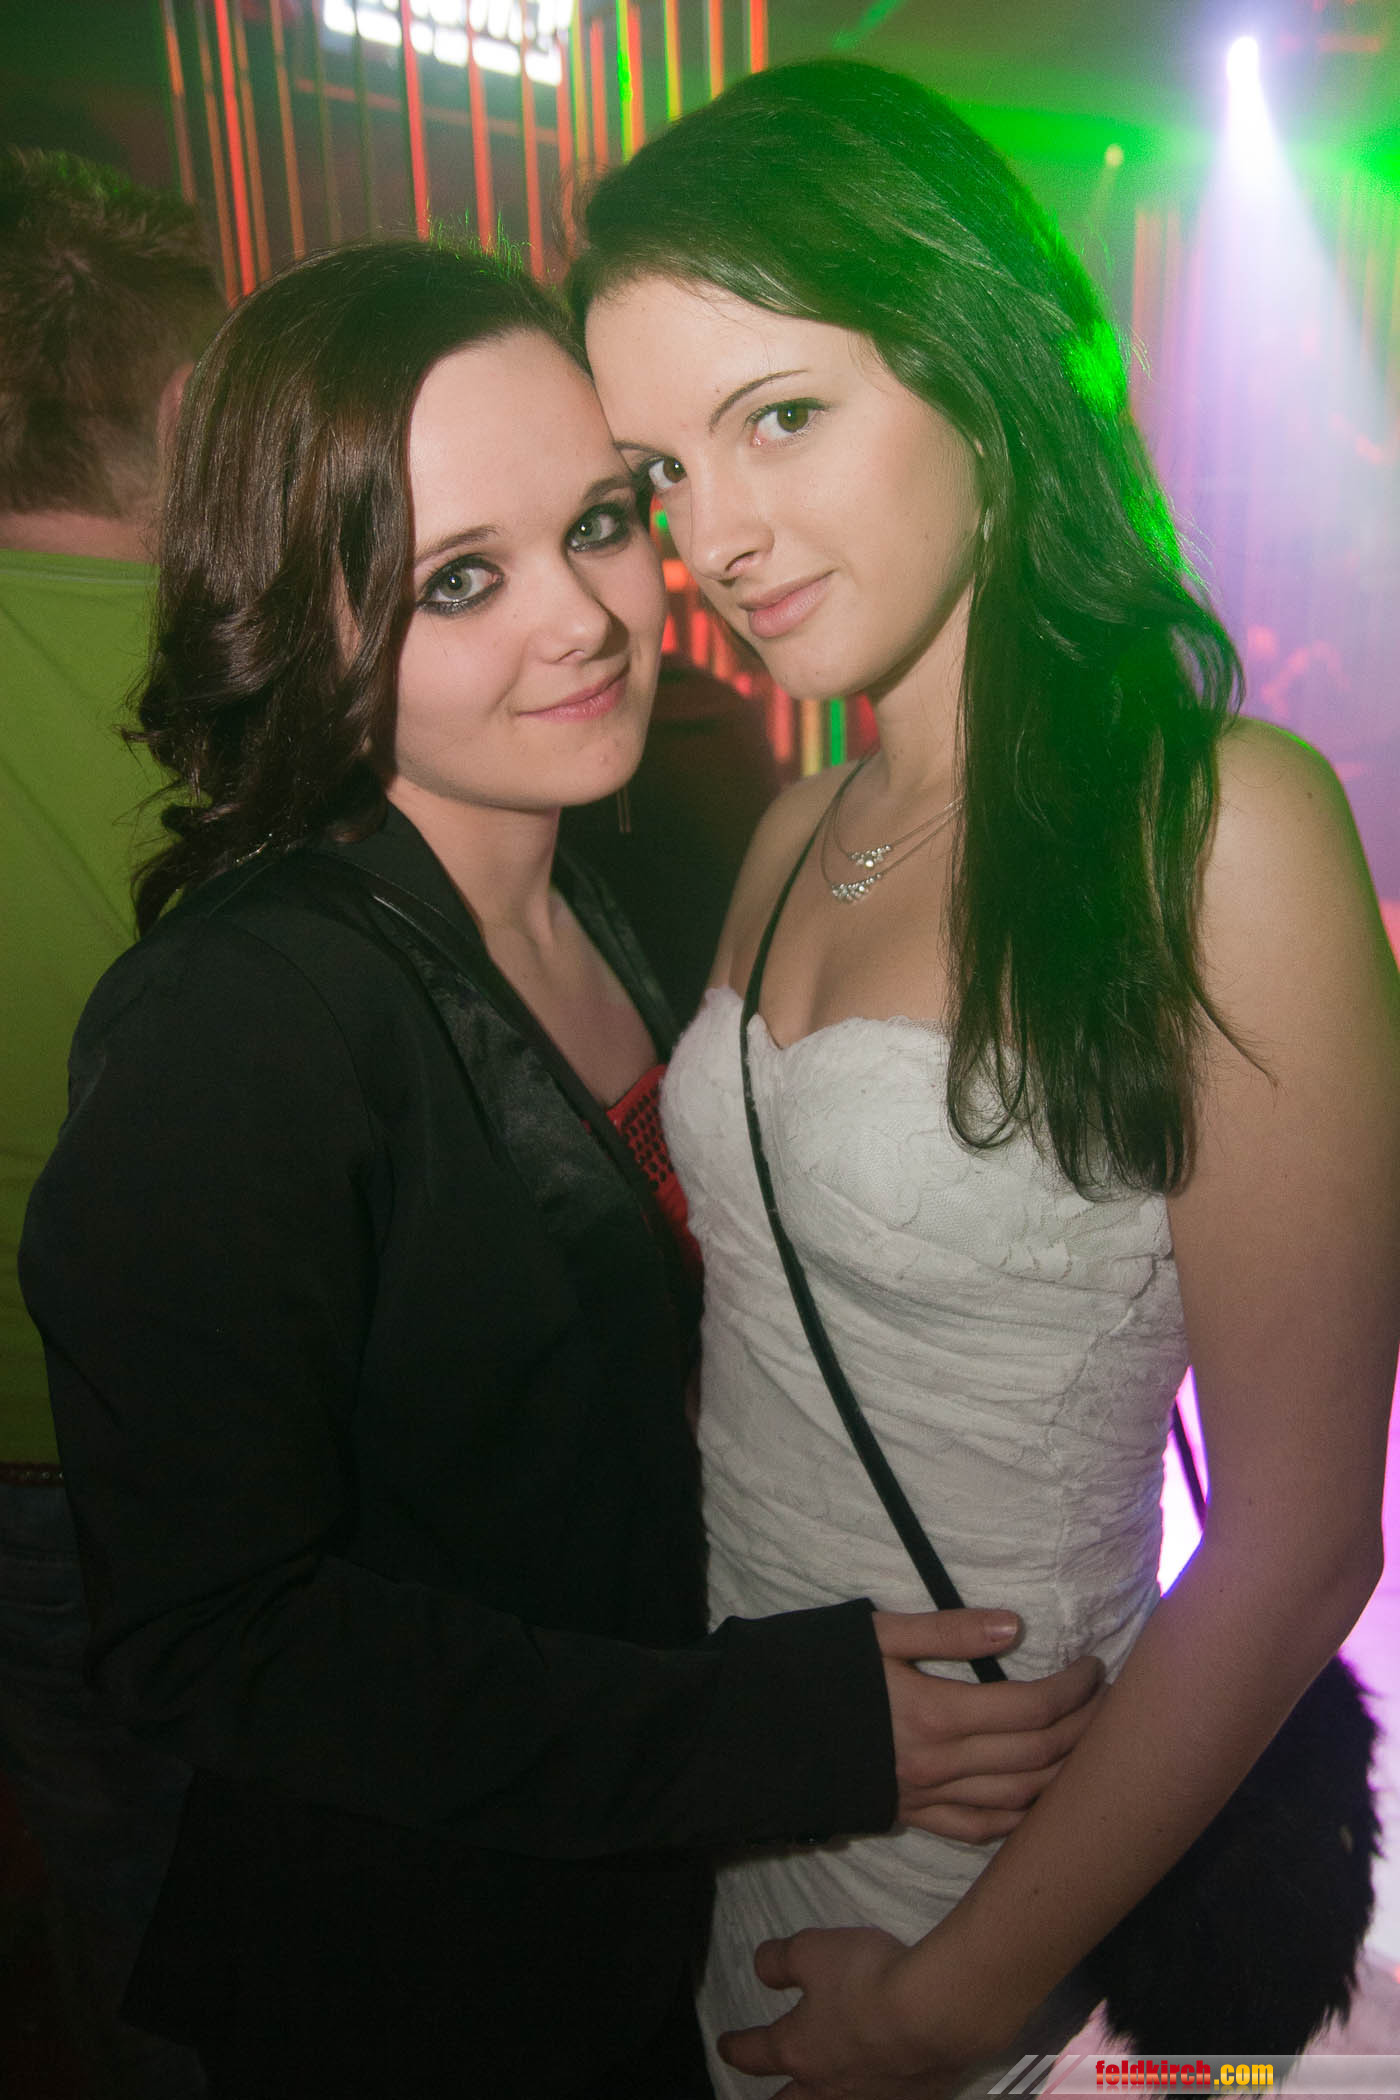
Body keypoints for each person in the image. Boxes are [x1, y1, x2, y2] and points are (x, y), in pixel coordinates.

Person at [18, 236, 1107, 2100]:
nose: (585, 620)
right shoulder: (238, 1020)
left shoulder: (642, 877)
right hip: (434, 1965)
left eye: (601, 524)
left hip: (670, 1910)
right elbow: (210, 1637)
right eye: (460, 578)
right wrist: (763, 1733)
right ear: (301, 614)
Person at [571, 57, 1400, 2100]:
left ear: (980, 368)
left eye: (779, 416)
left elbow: (1303, 1539)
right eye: (660, 470)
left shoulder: (1222, 831)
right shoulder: (791, 824)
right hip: (740, 1751)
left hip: (983, 1849)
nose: (713, 538)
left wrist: (950, 2002)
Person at [0, 145, 223, 2098]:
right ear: (176, 407)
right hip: (247, 1419)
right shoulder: (268, 665)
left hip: (19, 1446)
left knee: (122, 1895)